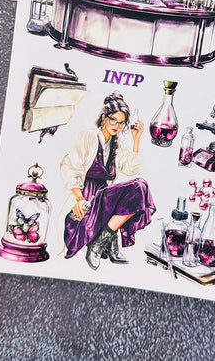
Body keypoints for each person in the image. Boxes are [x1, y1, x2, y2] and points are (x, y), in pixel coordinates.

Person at [57, 92, 156, 270]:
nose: (117, 126)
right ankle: (103, 243)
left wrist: (136, 140)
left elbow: (131, 168)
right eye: (113, 120)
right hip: (87, 199)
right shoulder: (89, 136)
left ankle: (100, 242)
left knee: (140, 186)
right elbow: (69, 166)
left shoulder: (116, 145)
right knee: (138, 186)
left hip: (105, 199)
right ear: (104, 117)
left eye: (121, 123)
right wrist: (79, 199)